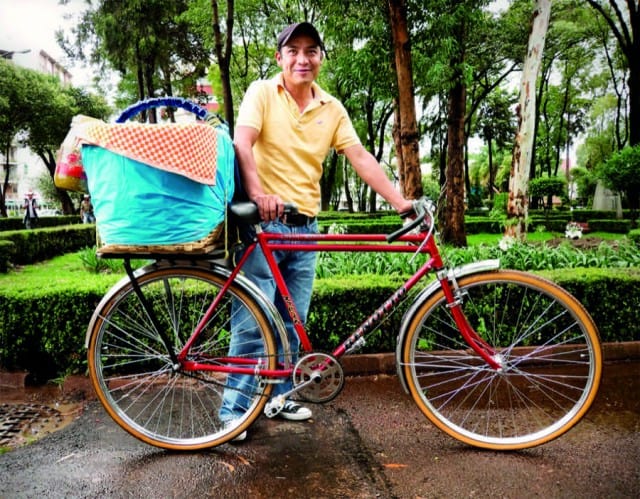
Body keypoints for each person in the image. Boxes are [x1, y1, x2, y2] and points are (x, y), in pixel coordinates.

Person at [220, 22, 414, 440]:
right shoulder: (261, 93)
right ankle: (233, 412)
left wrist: (401, 203)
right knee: (253, 324)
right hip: (263, 225)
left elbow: (359, 156)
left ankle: (279, 396)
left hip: (305, 229)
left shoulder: (332, 107)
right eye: (293, 50)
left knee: (293, 321)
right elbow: (243, 141)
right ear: (280, 58)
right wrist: (258, 193)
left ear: (321, 58)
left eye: (311, 51)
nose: (302, 59)